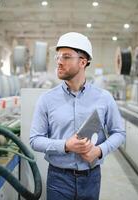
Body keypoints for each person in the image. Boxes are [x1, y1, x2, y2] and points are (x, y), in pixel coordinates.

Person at [30, 32, 126, 200]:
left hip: (91, 178)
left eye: (66, 57)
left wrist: (99, 150)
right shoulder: (46, 99)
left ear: (83, 62)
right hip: (58, 179)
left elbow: (119, 133)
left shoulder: (104, 98)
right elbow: (35, 139)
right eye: (58, 56)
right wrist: (66, 145)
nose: (59, 61)